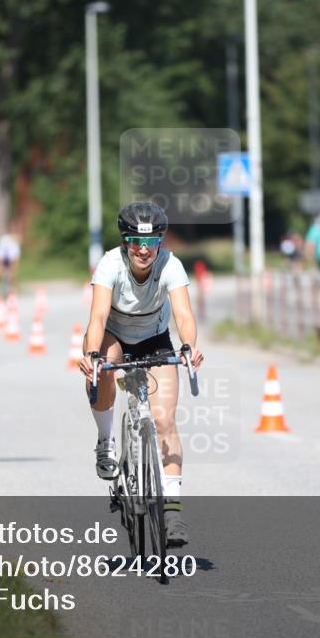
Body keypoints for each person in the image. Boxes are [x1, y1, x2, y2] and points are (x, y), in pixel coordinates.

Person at [78, 202, 204, 548]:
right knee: (103, 369)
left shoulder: (170, 265)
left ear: (161, 242)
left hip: (155, 339)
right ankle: (106, 441)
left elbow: (184, 315)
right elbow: (98, 315)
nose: (144, 250)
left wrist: (189, 347)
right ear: (125, 241)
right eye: (136, 241)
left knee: (164, 419)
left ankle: (173, 513)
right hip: (115, 336)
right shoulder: (109, 264)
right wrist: (91, 355)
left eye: (151, 242)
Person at [0, 233, 20, 297]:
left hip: (11, 257)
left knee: (12, 273)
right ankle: (3, 286)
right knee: (1, 272)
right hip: (2, 258)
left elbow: (15, 262)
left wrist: (13, 272)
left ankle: (13, 287)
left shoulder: (14, 247)